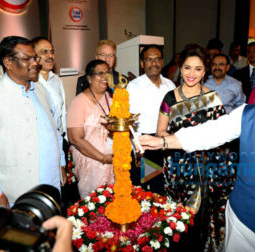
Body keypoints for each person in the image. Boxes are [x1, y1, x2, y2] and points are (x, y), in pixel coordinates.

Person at [138, 53, 255, 252]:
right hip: (239, 226)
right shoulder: (246, 114)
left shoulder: (211, 97)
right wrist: (162, 141)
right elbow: (211, 132)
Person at [0, 36, 66, 207]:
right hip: (18, 193)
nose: (34, 63)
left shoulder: (42, 90)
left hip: (52, 187)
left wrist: (62, 165)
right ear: (7, 62)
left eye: (34, 57)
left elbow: (55, 131)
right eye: (26, 59)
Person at [156, 44, 231, 251]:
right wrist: (178, 142)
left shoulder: (213, 99)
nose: (191, 74)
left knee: (201, 219)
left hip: (206, 168)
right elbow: (160, 132)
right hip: (178, 167)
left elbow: (222, 135)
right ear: (181, 68)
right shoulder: (169, 98)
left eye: (198, 69)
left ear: (205, 71)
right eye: (187, 68)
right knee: (178, 221)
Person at [126, 44, 175, 192]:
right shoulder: (134, 87)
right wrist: (137, 149)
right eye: (149, 59)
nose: (154, 63)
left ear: (162, 61)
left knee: (167, 187)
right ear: (142, 63)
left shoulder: (170, 85)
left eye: (157, 59)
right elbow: (129, 122)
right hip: (146, 146)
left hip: (167, 143)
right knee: (150, 191)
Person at [67, 60, 114, 198]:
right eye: (100, 73)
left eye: (107, 73)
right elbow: (75, 138)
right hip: (91, 163)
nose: (105, 77)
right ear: (89, 78)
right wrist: (103, 158)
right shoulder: (78, 102)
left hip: (114, 162)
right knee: (94, 208)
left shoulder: (112, 99)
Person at [31, 36, 68, 181]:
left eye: (51, 52)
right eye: (44, 52)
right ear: (33, 55)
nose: (50, 56)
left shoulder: (56, 80)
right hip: (42, 148)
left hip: (61, 142)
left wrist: (66, 140)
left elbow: (62, 112)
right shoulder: (29, 82)